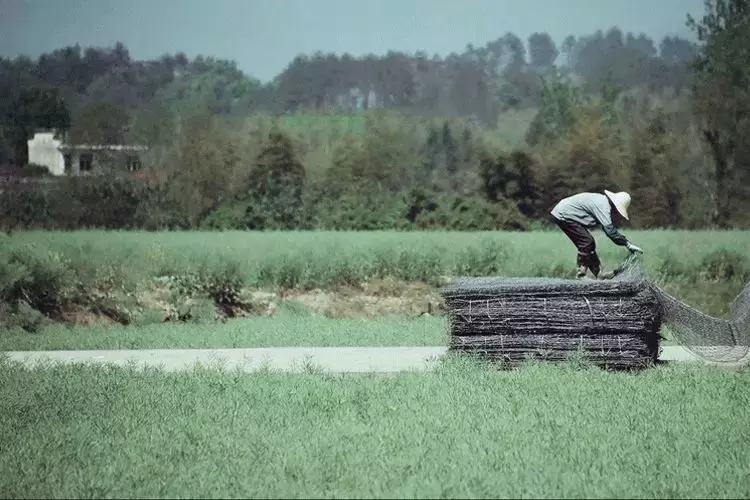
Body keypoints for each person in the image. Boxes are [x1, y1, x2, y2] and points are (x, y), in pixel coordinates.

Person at [550, 190, 643, 279]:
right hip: (563, 214)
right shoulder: (604, 207)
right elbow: (610, 232)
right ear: (614, 206)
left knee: (590, 243)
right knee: (586, 242)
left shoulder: (602, 201)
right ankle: (581, 273)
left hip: (565, 211)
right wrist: (627, 244)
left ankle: (598, 273)